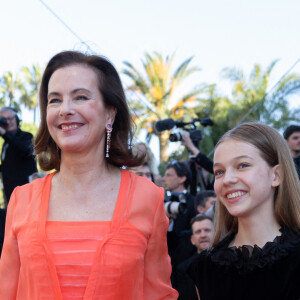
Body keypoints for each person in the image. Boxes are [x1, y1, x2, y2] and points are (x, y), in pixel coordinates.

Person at [0, 51, 178, 300]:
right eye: (54, 100)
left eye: (80, 97)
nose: (65, 110)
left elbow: (159, 294)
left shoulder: (147, 197)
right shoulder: (22, 201)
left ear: (110, 113)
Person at [188, 122, 300, 300]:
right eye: (219, 172)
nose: (227, 179)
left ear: (276, 175)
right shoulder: (204, 268)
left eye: (243, 165)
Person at [0, 106, 38, 203]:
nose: (8, 122)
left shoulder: (26, 136)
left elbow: (24, 150)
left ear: (17, 119)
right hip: (11, 196)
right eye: (4, 120)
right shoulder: (6, 144)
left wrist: (4, 133)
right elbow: (8, 167)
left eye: (11, 118)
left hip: (27, 195)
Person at [176, 215, 214, 300]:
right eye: (198, 232)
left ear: (216, 234)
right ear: (192, 240)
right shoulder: (183, 269)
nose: (203, 235)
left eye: (207, 230)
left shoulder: (230, 261)